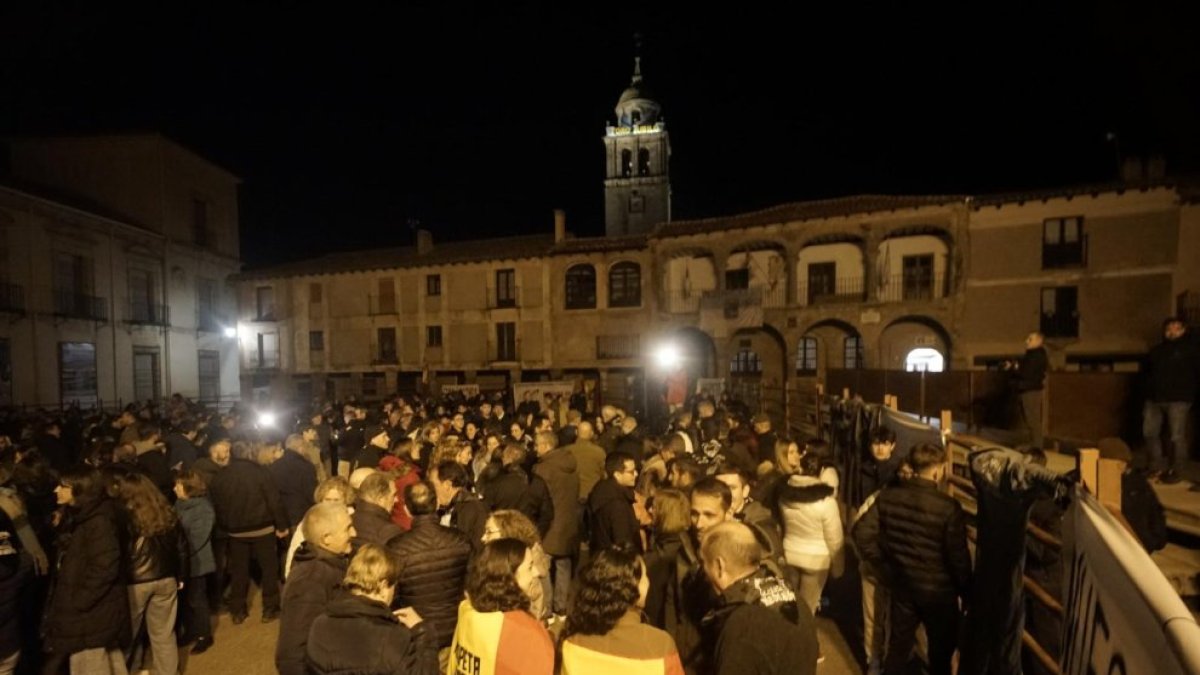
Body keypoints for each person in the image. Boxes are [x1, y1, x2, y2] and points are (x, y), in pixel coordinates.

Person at [857, 442, 971, 675]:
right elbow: (958, 558)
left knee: (898, 648)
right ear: (939, 470)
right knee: (940, 655)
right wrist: (967, 591)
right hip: (939, 594)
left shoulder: (889, 497)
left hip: (903, 586)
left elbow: (861, 533)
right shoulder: (949, 507)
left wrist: (885, 567)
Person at [42, 467, 131, 675]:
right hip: (93, 612)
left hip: (91, 614)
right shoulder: (84, 517)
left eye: (64, 486)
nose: (56, 489)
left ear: (81, 490)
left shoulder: (97, 521)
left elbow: (105, 565)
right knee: (109, 663)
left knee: (90, 666)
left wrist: (80, 600)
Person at [700, 521, 819, 675]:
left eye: (703, 563)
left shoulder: (741, 626)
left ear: (719, 566)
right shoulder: (792, 597)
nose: (702, 570)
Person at [304, 544, 439, 675]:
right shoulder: (392, 638)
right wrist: (423, 632)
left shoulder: (319, 625)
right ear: (383, 586)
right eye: (394, 587)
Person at [561, 547, 683, 674]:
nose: (648, 581)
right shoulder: (660, 645)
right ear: (635, 588)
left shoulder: (572, 642)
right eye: (644, 576)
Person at [208, 441, 289, 624]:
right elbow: (274, 500)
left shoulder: (221, 476)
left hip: (235, 531)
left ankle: (238, 610)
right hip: (263, 528)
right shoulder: (260, 473)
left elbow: (217, 504)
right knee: (269, 569)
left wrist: (225, 526)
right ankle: (270, 608)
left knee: (239, 571)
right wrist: (281, 526)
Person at [116, 473, 188, 675]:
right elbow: (181, 547)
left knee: (127, 634)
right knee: (164, 634)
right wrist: (181, 575)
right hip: (166, 578)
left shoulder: (123, 516)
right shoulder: (166, 512)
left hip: (134, 581)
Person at [448, 538, 554, 675]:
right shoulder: (527, 633)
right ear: (509, 577)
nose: (536, 572)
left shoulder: (467, 611)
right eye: (530, 566)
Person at [388, 481, 472, 651]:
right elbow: (472, 583)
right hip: (456, 630)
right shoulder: (460, 540)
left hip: (416, 633)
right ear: (437, 504)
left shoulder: (396, 548)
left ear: (407, 510)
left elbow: (392, 595)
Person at [276, 503, 356, 675]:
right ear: (326, 538)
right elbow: (292, 654)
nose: (354, 533)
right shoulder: (308, 582)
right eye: (348, 528)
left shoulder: (332, 565)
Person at [776, 453, 844, 617]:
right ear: (821, 471)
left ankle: (789, 636)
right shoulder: (827, 503)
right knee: (807, 609)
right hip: (816, 560)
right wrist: (838, 567)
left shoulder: (785, 496)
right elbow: (835, 539)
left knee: (790, 605)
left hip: (790, 553)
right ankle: (805, 640)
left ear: (801, 468)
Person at [1142, 317, 1199, 484]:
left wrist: (1191, 395)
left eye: (1176, 328)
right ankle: (1155, 467)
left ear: (1183, 330)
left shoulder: (1192, 351)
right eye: (1169, 328)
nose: (1172, 331)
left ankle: (1177, 470)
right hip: (1154, 399)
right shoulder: (1156, 351)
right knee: (1150, 433)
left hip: (1179, 399)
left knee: (1177, 437)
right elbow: (1146, 374)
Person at [531, 429, 579, 617]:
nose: (535, 449)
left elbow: (536, 500)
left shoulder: (543, 469)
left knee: (543, 568)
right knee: (564, 566)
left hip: (550, 526)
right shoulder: (572, 466)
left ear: (546, 446)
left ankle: (547, 609)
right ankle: (561, 606)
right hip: (568, 524)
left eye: (537, 445)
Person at [173, 470, 216, 654]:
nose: (174, 488)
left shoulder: (203, 508)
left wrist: (181, 553)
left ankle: (204, 635)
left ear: (188, 487)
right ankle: (191, 631)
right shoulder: (179, 504)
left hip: (196, 562)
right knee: (185, 600)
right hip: (182, 562)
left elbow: (198, 538)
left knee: (197, 600)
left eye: (178, 485)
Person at [481, 509, 552, 621]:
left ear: (508, 532)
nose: (483, 538)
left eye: (489, 532)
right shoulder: (505, 565)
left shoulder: (529, 578)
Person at [587, 451, 642, 552]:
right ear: (617, 475)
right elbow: (622, 541)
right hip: (616, 562)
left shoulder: (603, 492)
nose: (636, 474)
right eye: (631, 472)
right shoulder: (617, 505)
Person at [1005, 331, 1049, 448]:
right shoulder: (1033, 354)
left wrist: (1015, 367)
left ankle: (1037, 446)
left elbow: (1026, 372)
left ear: (1038, 341)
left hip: (1031, 390)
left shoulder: (1037, 355)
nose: (1026, 341)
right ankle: (1034, 443)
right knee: (1029, 419)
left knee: (1033, 419)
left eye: (1030, 339)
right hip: (1027, 389)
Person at [351, 471, 404, 548]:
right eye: (393, 495)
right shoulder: (388, 532)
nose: (396, 500)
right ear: (381, 499)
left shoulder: (347, 522)